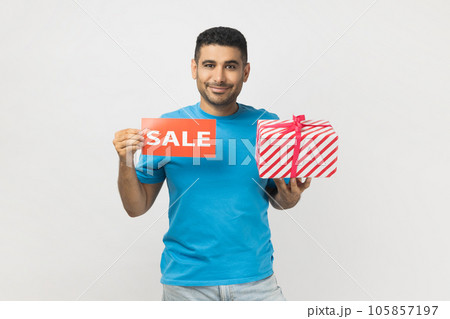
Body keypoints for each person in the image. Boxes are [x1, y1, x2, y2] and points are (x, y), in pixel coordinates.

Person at [112, 26, 312, 301]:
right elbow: (136, 208)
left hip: (256, 282)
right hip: (186, 286)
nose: (219, 77)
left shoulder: (268, 125)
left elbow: (277, 198)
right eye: (209, 65)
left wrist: (289, 198)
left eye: (230, 66)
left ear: (246, 72)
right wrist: (126, 160)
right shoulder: (167, 129)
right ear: (194, 68)